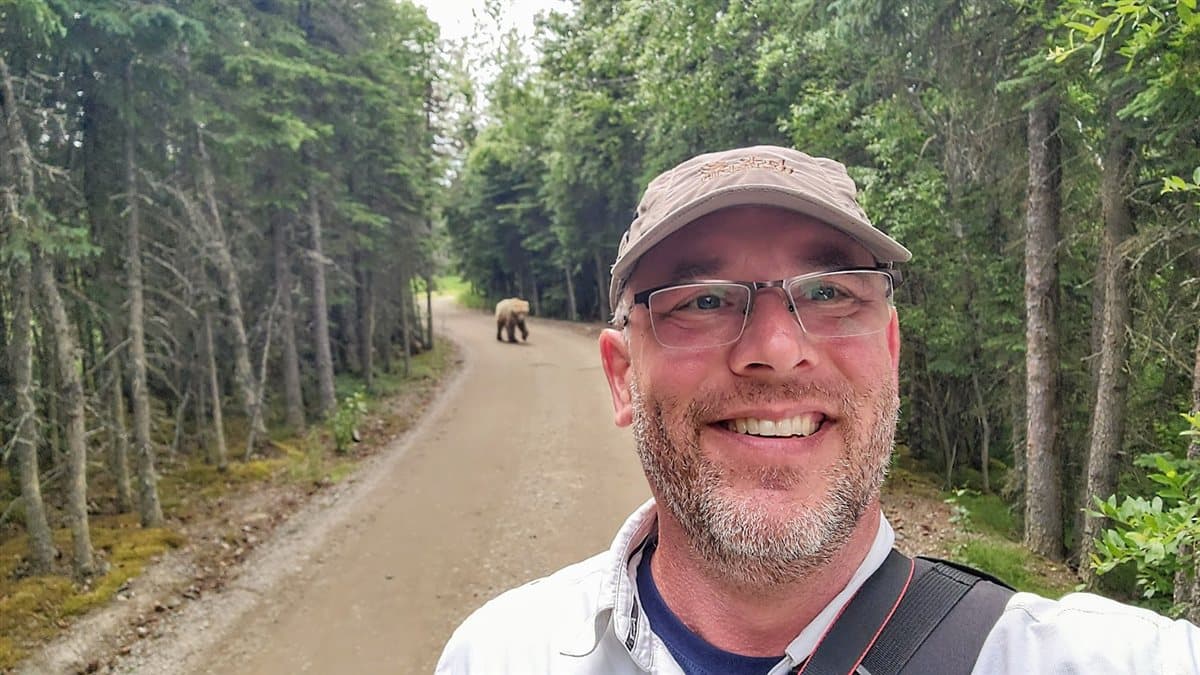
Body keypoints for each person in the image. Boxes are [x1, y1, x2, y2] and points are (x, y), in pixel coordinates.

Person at [435, 145, 1200, 674]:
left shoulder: (1084, 658)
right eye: (702, 300)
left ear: (890, 353)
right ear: (621, 375)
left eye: (830, 291)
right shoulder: (497, 654)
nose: (775, 348)